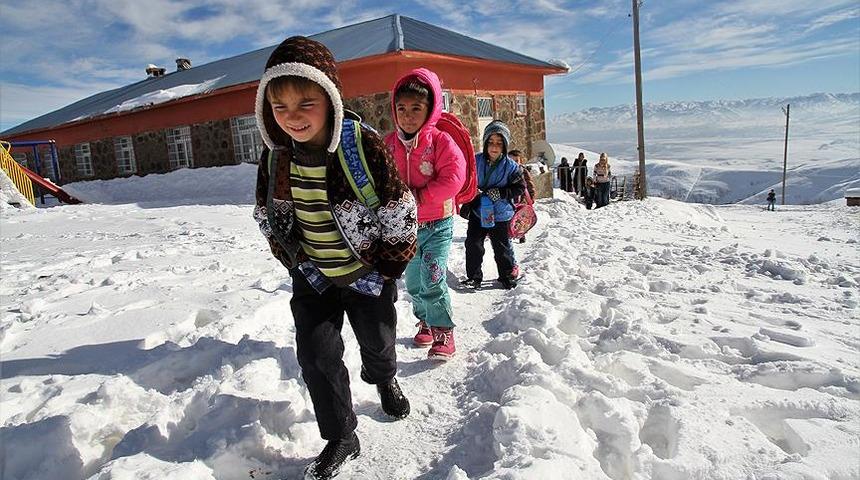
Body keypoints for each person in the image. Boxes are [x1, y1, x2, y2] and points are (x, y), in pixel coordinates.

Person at [252, 36, 418, 480]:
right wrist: (292, 260)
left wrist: (386, 269)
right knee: (315, 353)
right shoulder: (276, 157)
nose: (293, 117)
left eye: (305, 102)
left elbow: (398, 209)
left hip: (366, 273)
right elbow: (267, 213)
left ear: (330, 96)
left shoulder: (361, 147)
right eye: (280, 106)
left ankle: (384, 377)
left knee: (377, 340)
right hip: (313, 277)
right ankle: (341, 434)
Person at [385, 68, 465, 360]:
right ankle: (426, 322)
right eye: (401, 108)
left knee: (432, 276)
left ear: (430, 109)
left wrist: (420, 196)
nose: (407, 115)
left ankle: (444, 330)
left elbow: (454, 177)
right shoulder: (389, 144)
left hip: (437, 225)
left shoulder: (440, 142)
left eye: (416, 108)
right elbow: (379, 177)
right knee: (415, 281)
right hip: (405, 227)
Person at [462, 121, 525, 290]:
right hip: (478, 210)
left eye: (499, 143)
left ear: (504, 145)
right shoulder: (475, 161)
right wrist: (470, 193)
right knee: (473, 244)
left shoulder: (512, 167)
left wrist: (502, 193)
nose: (494, 147)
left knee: (501, 247)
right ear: (485, 142)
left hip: (500, 213)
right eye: (491, 142)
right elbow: (465, 180)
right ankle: (474, 277)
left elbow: (520, 187)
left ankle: (506, 276)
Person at [508, 149, 535, 246]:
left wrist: (531, 197)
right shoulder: (505, 171)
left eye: (516, 161)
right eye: (511, 161)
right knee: (510, 218)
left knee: (520, 219)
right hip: (509, 199)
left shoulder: (523, 171)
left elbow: (530, 185)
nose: (514, 163)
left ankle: (521, 234)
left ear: (520, 161)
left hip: (522, 199)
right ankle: (509, 234)